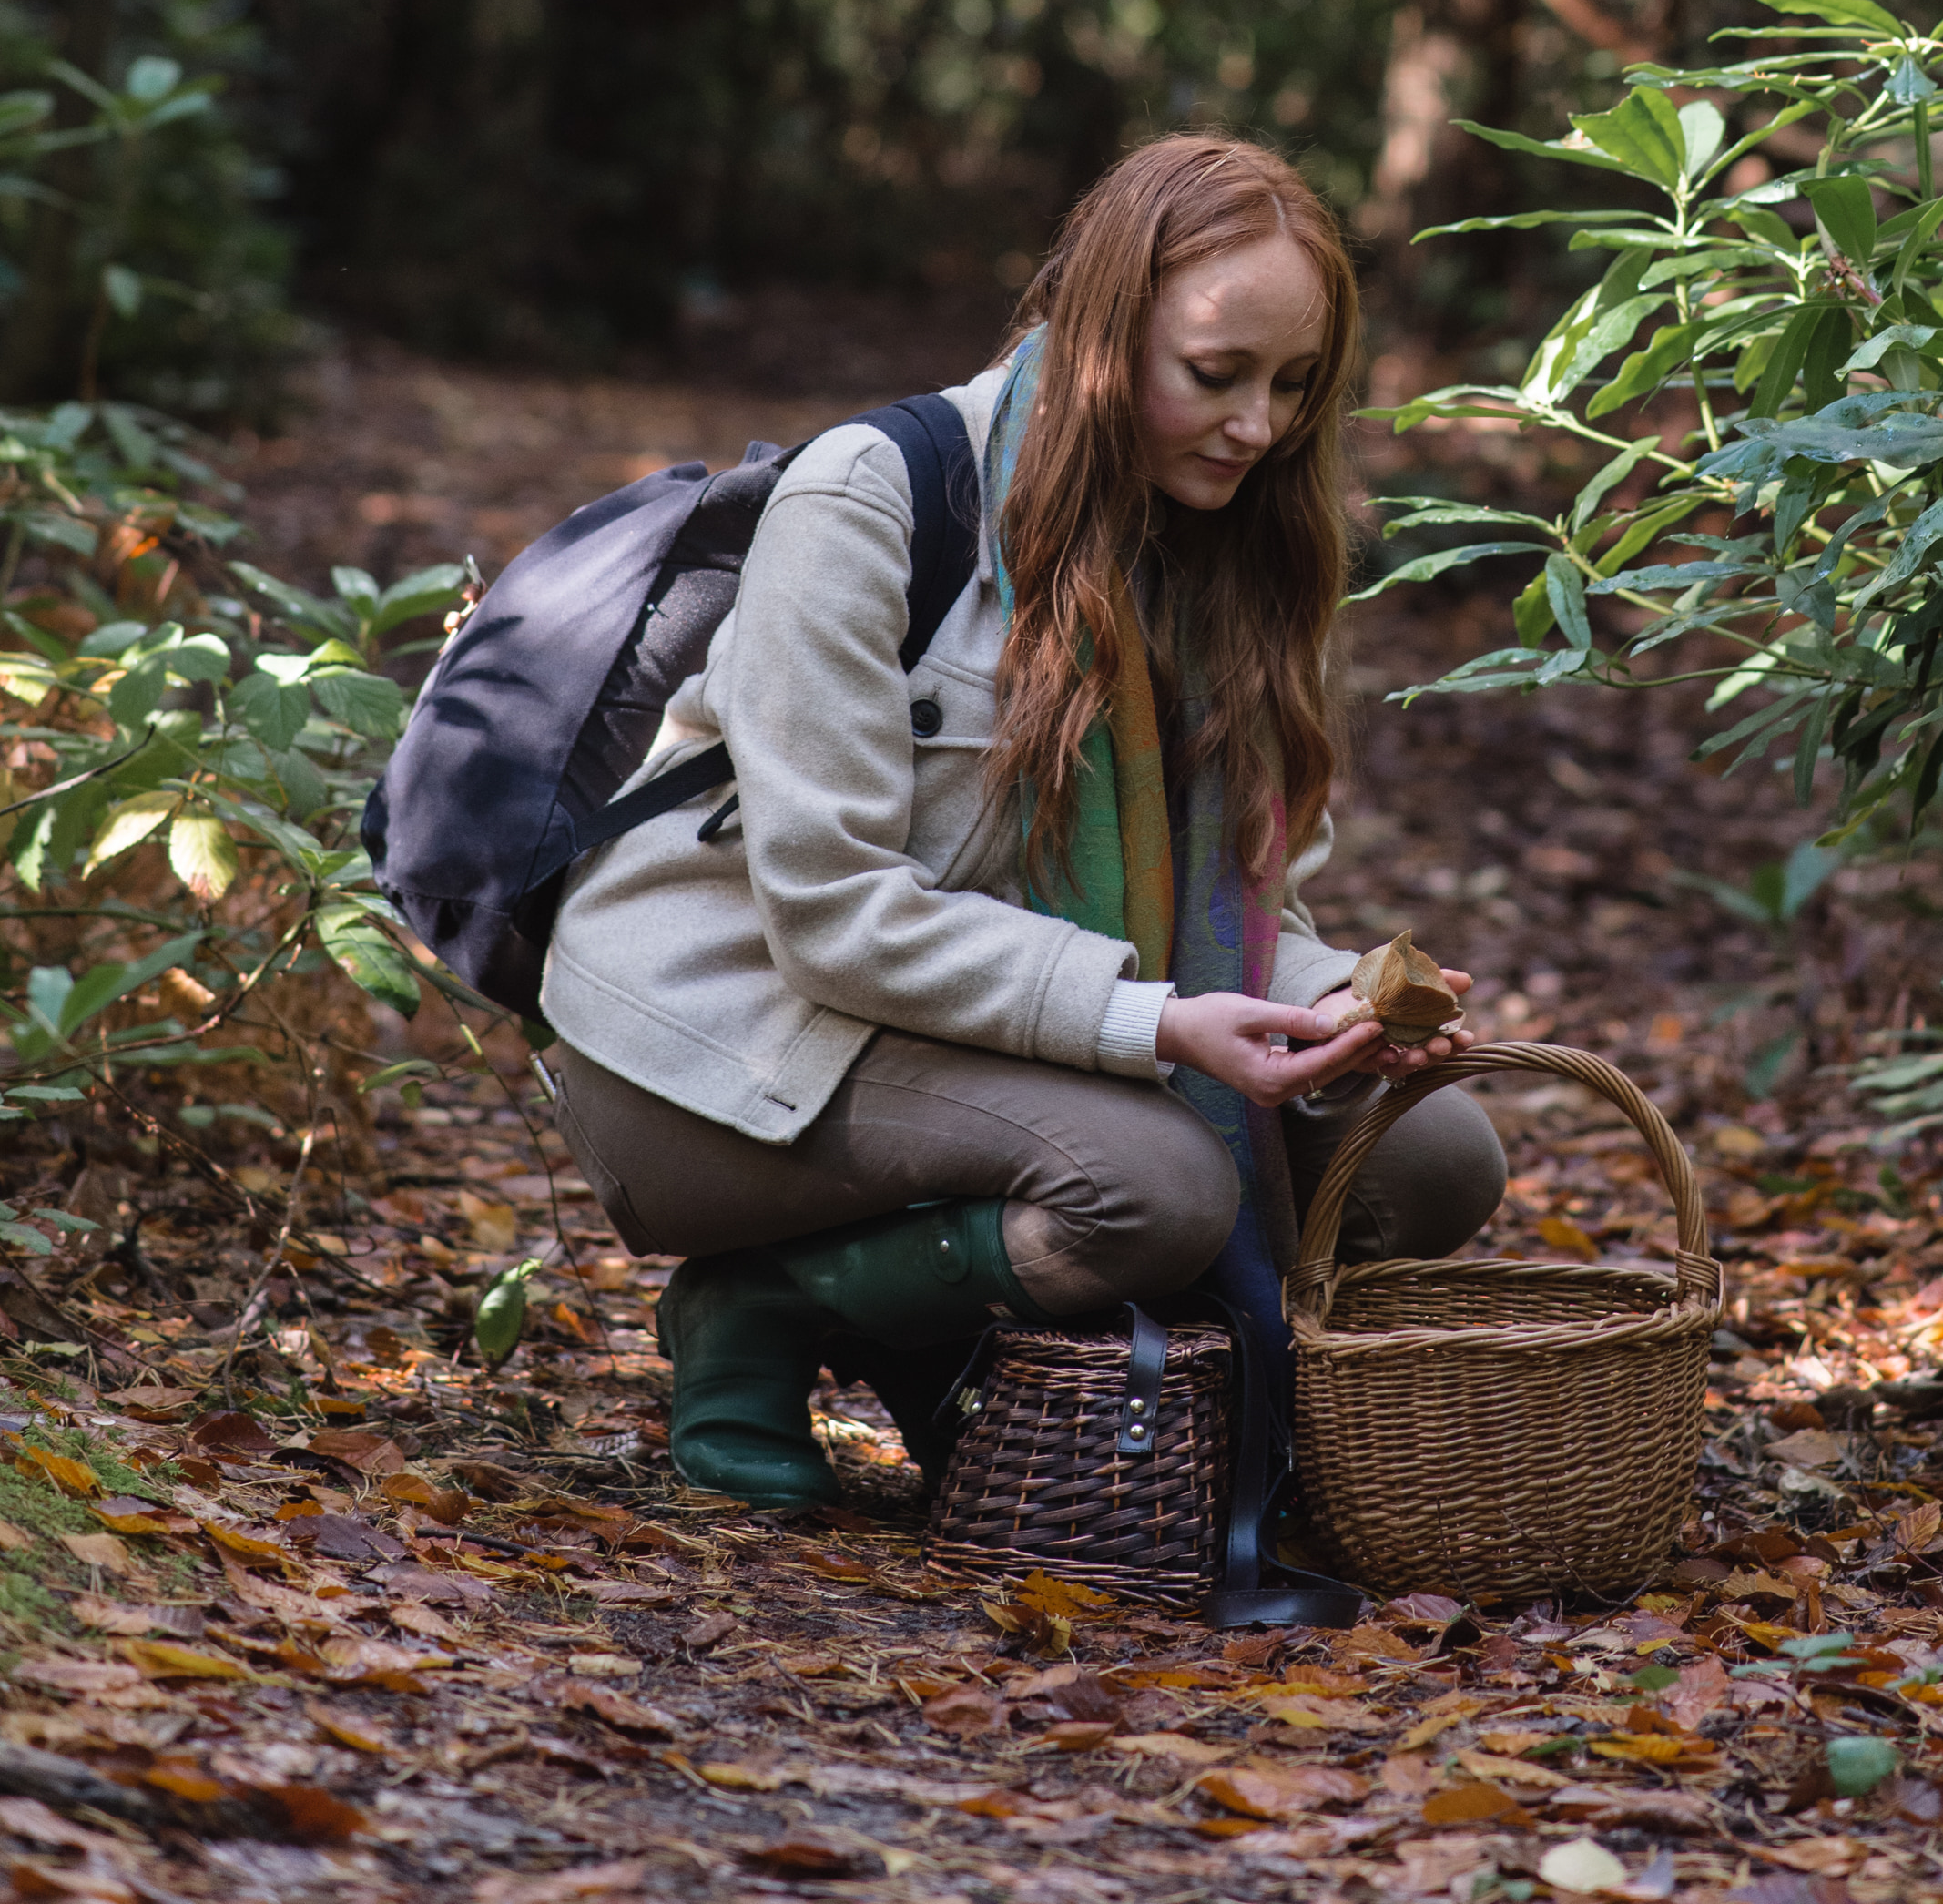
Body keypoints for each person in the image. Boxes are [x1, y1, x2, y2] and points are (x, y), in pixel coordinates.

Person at [541, 133, 1506, 1506]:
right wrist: (1156, 1024)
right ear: (1107, 331)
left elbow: (1242, 917)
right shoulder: (870, 497)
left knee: (1433, 1156)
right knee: (1160, 1189)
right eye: (1214, 377)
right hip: (724, 1056)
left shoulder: (1222, 548)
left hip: (979, 1042)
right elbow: (831, 915)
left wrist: (1342, 1004)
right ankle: (764, 1309)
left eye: (1295, 387)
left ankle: (1003, 1367)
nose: (1257, 427)